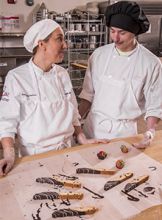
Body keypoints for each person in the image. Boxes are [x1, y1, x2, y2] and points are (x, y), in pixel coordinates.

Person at [0, 19, 108, 177]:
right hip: (36, 157)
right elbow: (6, 122)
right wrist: (9, 155)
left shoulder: (62, 74)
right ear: (41, 44)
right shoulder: (17, 77)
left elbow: (73, 114)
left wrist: (81, 138)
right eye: (59, 39)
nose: (65, 45)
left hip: (68, 151)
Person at [79, 1, 162, 149]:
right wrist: (76, 125)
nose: (115, 38)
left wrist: (149, 133)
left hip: (124, 134)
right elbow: (87, 95)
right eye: (112, 31)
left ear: (134, 32)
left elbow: (155, 105)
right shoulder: (99, 55)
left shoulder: (151, 63)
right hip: (92, 129)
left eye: (122, 33)